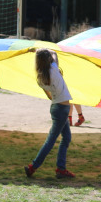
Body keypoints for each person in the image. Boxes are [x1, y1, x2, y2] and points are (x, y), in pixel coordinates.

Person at [24, 49, 75, 179]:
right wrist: (50, 49)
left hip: (56, 107)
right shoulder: (53, 68)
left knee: (66, 138)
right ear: (48, 59)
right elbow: (55, 55)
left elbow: (49, 96)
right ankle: (33, 167)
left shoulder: (40, 78)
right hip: (62, 109)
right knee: (51, 141)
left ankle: (61, 169)